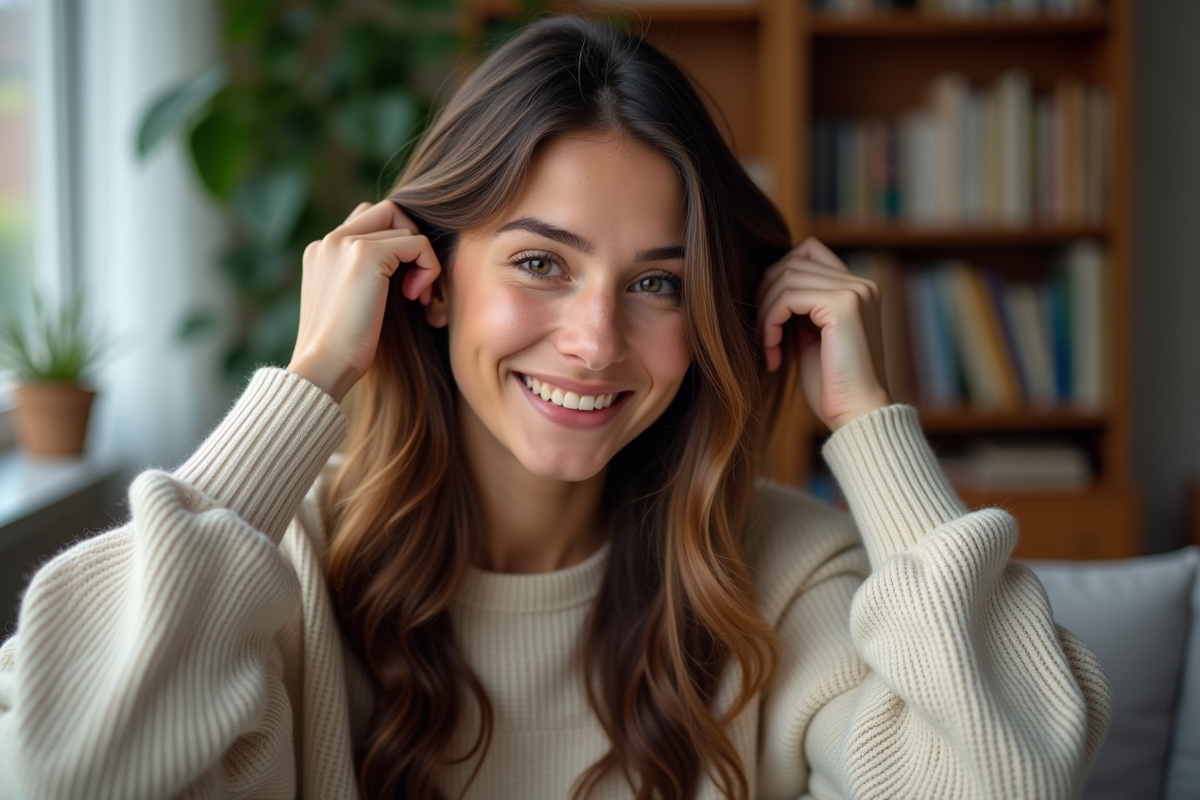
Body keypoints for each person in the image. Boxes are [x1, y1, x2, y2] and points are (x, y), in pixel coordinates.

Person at [0, 14, 1109, 800]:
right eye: (541, 261)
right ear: (423, 278)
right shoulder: (275, 566)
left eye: (658, 282)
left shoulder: (780, 570)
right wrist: (307, 384)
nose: (594, 339)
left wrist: (866, 416)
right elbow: (61, 769)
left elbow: (1014, 775)